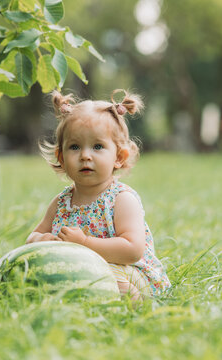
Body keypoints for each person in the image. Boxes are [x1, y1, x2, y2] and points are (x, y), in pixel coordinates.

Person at [26, 89, 171, 300]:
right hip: (80, 272)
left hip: (130, 274)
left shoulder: (121, 199)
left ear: (119, 157)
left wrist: (84, 243)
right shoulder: (61, 203)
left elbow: (132, 250)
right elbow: (31, 237)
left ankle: (130, 305)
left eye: (97, 146)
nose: (85, 156)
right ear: (61, 157)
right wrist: (42, 239)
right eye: (74, 147)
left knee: (103, 281)